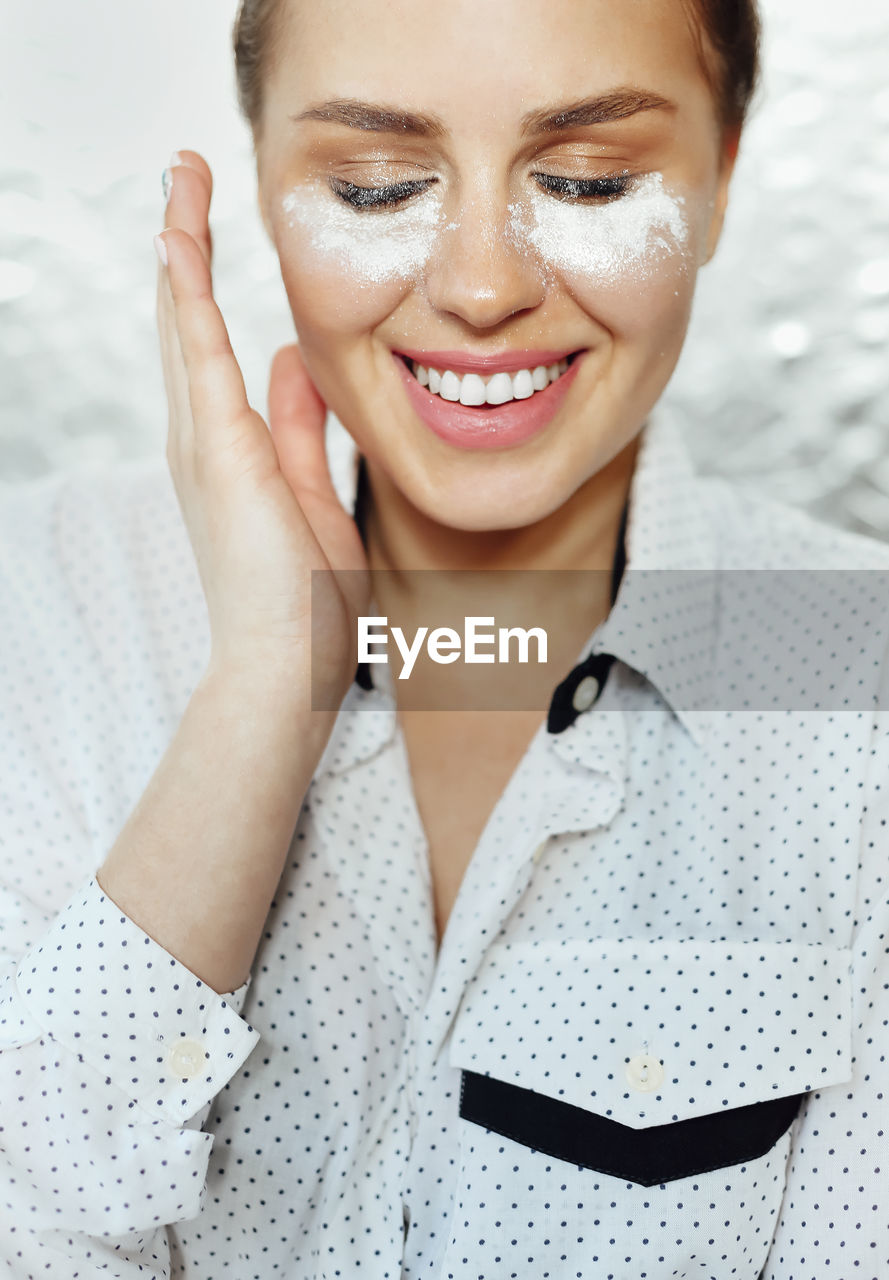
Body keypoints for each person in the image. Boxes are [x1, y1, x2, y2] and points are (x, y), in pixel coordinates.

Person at [1, 0, 888, 1276]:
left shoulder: (852, 675)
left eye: (589, 181)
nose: (482, 286)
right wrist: (264, 688)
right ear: (260, 176)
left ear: (722, 174)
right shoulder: (33, 603)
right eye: (374, 188)